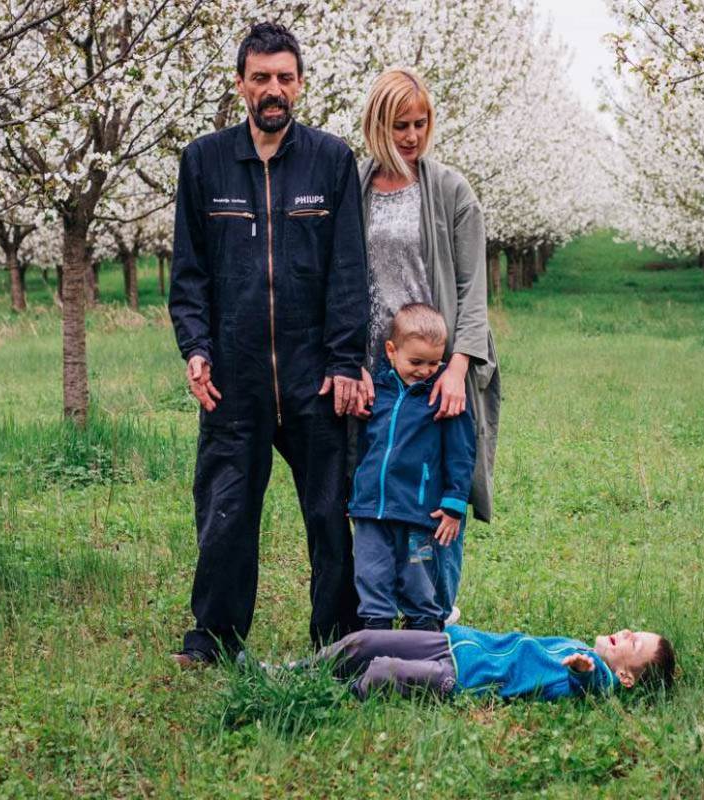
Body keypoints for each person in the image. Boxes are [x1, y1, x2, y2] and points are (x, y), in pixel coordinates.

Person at [168, 22, 370, 666]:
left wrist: (345, 361)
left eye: (285, 77)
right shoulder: (203, 162)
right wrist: (195, 347)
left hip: (314, 376)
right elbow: (189, 272)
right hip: (235, 375)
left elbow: (347, 271)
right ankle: (214, 637)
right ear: (241, 86)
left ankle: (338, 637)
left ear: (301, 84)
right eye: (261, 78)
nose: (273, 89)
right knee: (226, 513)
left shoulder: (331, 160)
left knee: (330, 514)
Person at [356, 67, 501, 625]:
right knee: (383, 483)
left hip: (440, 363)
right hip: (382, 367)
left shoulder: (449, 190)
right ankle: (376, 609)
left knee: (441, 482)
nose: (412, 136)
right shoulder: (358, 184)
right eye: (399, 125)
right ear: (376, 125)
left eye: (420, 123)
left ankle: (437, 613)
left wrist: (457, 367)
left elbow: (472, 285)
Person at [348, 303, 476, 632]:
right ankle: (376, 639)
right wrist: (358, 490)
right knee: (371, 574)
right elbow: (366, 446)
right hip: (371, 511)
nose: (425, 370)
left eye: (434, 362)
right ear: (391, 351)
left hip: (419, 513)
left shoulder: (442, 396)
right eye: (416, 362)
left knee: (419, 581)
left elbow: (461, 453)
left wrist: (454, 502)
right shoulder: (378, 392)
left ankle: (424, 638)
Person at [297, 625, 676, 701]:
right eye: (632, 630)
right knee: (363, 641)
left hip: (462, 678)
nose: (626, 632)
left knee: (383, 671)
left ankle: (328, 695)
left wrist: (583, 671)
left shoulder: (600, 680)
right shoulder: (579, 643)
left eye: (634, 641)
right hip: (453, 644)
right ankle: (289, 674)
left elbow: (588, 684)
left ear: (625, 677)